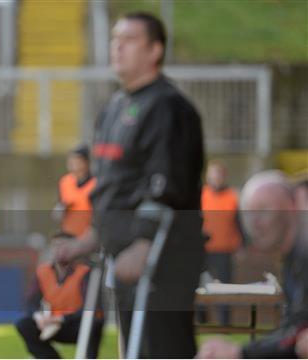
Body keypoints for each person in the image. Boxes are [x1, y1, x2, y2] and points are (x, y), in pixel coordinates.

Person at [56, 12, 205, 358]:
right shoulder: (114, 107)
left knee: (162, 350)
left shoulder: (168, 107)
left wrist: (142, 243)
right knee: (134, 350)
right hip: (122, 260)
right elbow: (112, 187)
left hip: (160, 260)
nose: (117, 46)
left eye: (130, 39)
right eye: (114, 38)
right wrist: (91, 236)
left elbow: (169, 185)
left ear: (155, 50)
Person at [197, 170, 308, 358]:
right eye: (249, 214)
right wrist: (240, 353)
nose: (254, 223)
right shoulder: (291, 261)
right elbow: (295, 329)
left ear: (294, 203)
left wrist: (240, 353)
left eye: (264, 210)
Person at [16, 233, 104, 358]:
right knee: (24, 324)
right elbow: (30, 302)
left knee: (93, 323)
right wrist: (39, 318)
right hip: (55, 324)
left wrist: (60, 319)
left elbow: (90, 307)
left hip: (81, 323)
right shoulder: (43, 271)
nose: (60, 250)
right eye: (56, 246)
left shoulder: (86, 271)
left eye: (65, 246)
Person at [200, 160, 243, 325]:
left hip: (225, 249)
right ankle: (201, 321)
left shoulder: (232, 196)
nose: (217, 177)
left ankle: (225, 323)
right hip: (203, 249)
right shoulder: (201, 194)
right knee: (201, 286)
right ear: (208, 175)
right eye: (214, 173)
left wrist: (242, 246)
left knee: (225, 288)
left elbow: (239, 223)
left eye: (219, 174)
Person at [54, 144, 96, 237]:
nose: (73, 164)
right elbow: (59, 207)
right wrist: (60, 210)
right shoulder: (65, 182)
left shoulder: (95, 184)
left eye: (77, 160)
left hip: (88, 237)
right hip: (68, 234)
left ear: (86, 162)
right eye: (71, 160)